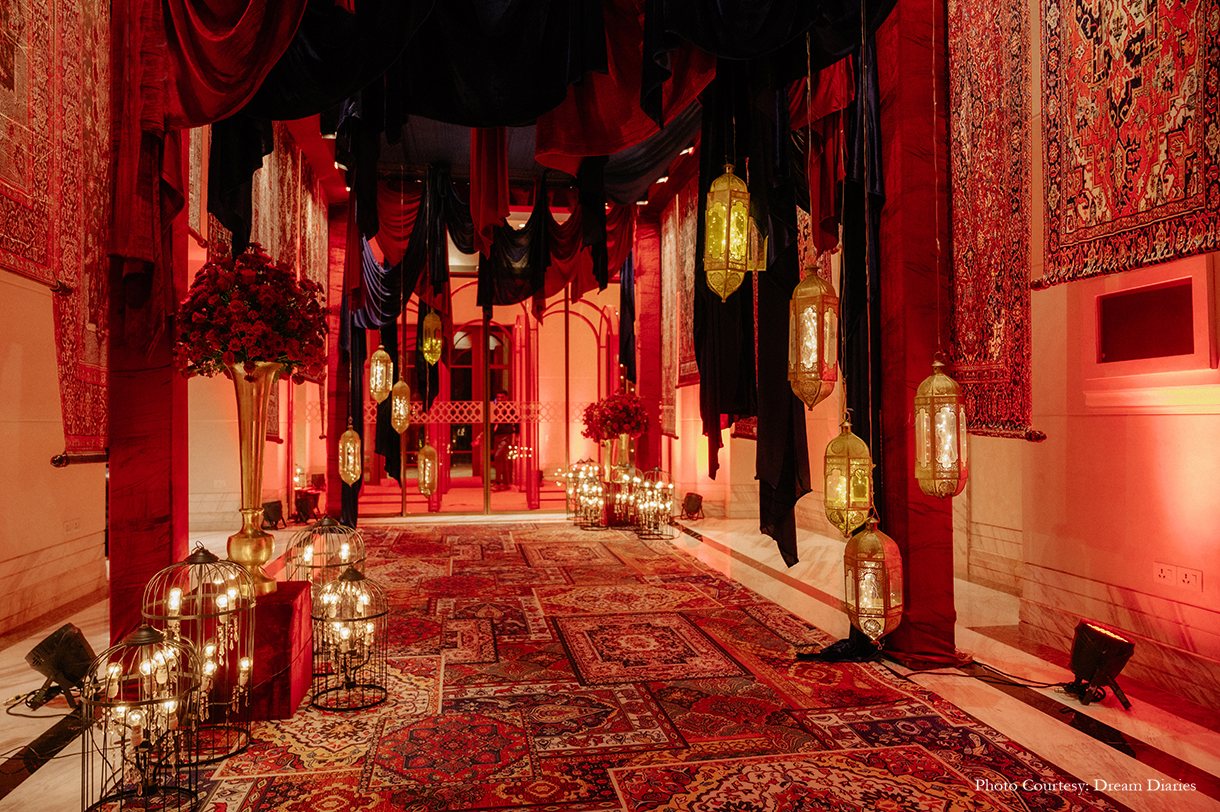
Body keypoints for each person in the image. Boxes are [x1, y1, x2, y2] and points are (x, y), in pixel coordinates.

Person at [491, 391, 518, 491]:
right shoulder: (494, 408)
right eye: (498, 397)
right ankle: (506, 483)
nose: (499, 399)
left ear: (506, 397)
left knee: (498, 456)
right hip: (497, 435)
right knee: (503, 459)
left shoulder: (511, 408)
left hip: (506, 435)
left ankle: (498, 482)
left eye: (502, 397)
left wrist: (516, 434)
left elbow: (516, 420)